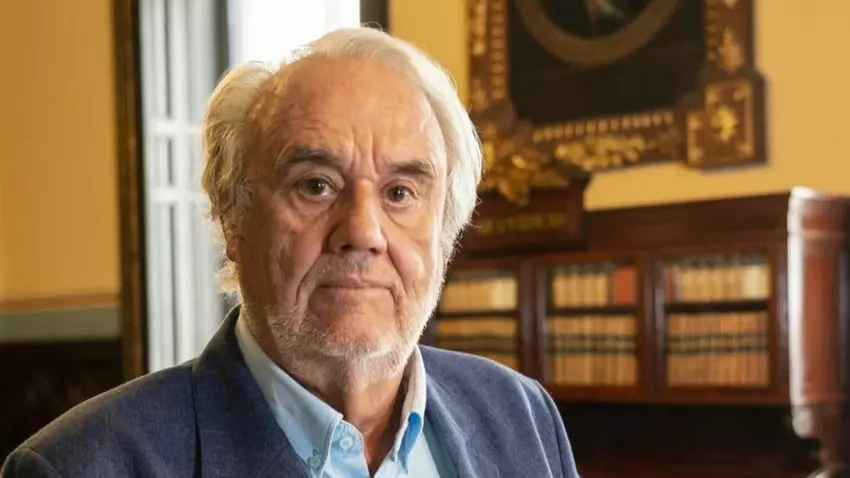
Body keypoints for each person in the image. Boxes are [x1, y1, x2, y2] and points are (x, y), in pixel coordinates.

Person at [2, 28, 578, 477]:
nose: (363, 231)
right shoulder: (79, 466)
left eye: (400, 193)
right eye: (316, 186)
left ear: (445, 230)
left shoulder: (521, 416)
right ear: (232, 221)